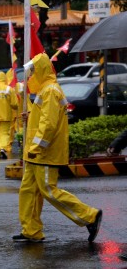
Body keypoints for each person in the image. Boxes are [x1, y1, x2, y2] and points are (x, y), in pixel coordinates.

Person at [15, 53, 103, 243]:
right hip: (34, 152)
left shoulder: (51, 91)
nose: (29, 78)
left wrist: (37, 147)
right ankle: (31, 231)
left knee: (48, 189)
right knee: (29, 191)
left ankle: (90, 216)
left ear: (41, 72)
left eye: (32, 73)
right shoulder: (45, 90)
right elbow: (42, 119)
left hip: (43, 152)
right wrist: (29, 116)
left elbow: (49, 124)